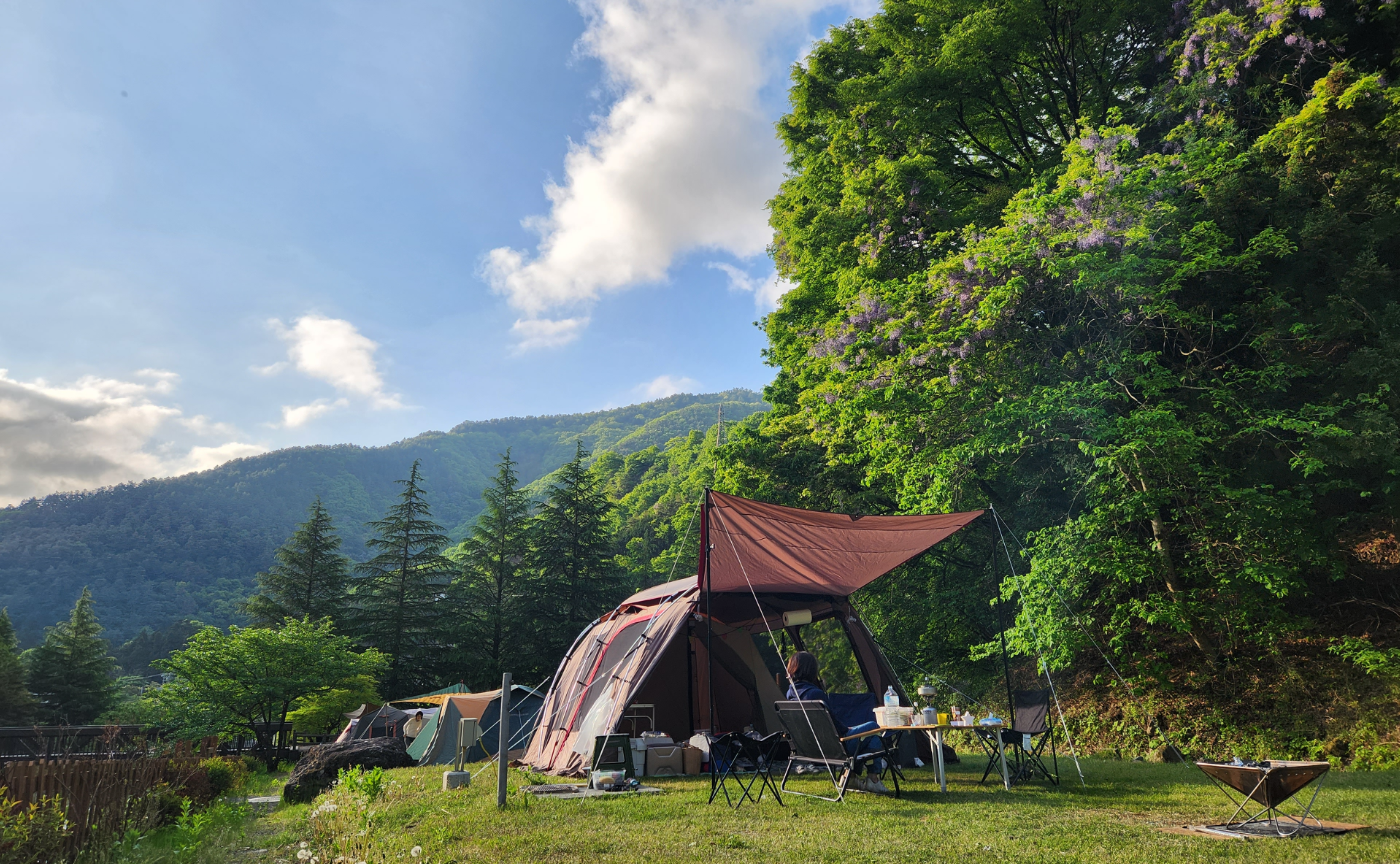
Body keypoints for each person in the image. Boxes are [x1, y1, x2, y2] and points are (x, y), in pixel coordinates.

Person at [785, 651, 890, 794]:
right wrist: (847, 730)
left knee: (869, 737)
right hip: (833, 748)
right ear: (811, 670)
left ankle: (852, 778)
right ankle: (872, 779)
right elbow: (836, 728)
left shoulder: (790, 694)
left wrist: (847, 728)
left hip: (809, 748)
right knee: (873, 728)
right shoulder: (815, 694)